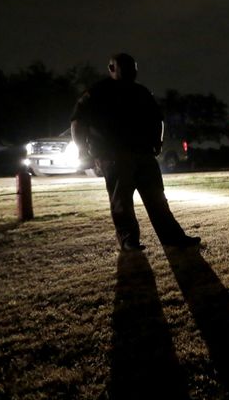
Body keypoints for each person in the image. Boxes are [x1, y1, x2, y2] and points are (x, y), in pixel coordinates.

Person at [70, 53, 200, 251]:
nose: (132, 71)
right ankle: (128, 240)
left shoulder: (141, 92)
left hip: (143, 154)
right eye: (126, 67)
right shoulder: (97, 93)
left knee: (157, 198)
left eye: (134, 67)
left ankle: (172, 237)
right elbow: (77, 123)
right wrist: (83, 152)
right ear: (111, 68)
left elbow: (158, 119)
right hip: (113, 156)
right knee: (122, 201)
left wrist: (158, 141)